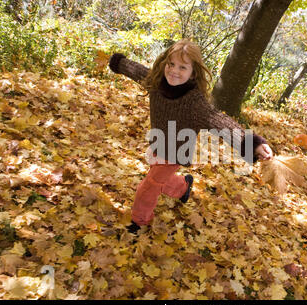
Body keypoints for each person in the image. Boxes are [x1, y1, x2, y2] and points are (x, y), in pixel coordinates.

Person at [109, 39, 273, 233]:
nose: (174, 71)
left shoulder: (195, 104)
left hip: (177, 151)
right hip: (158, 141)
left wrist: (253, 144)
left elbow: (220, 123)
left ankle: (139, 221)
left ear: (193, 72)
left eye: (182, 67)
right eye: (171, 64)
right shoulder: (155, 81)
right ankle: (183, 187)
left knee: (150, 185)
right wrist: (118, 63)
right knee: (161, 178)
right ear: (164, 63)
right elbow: (135, 70)